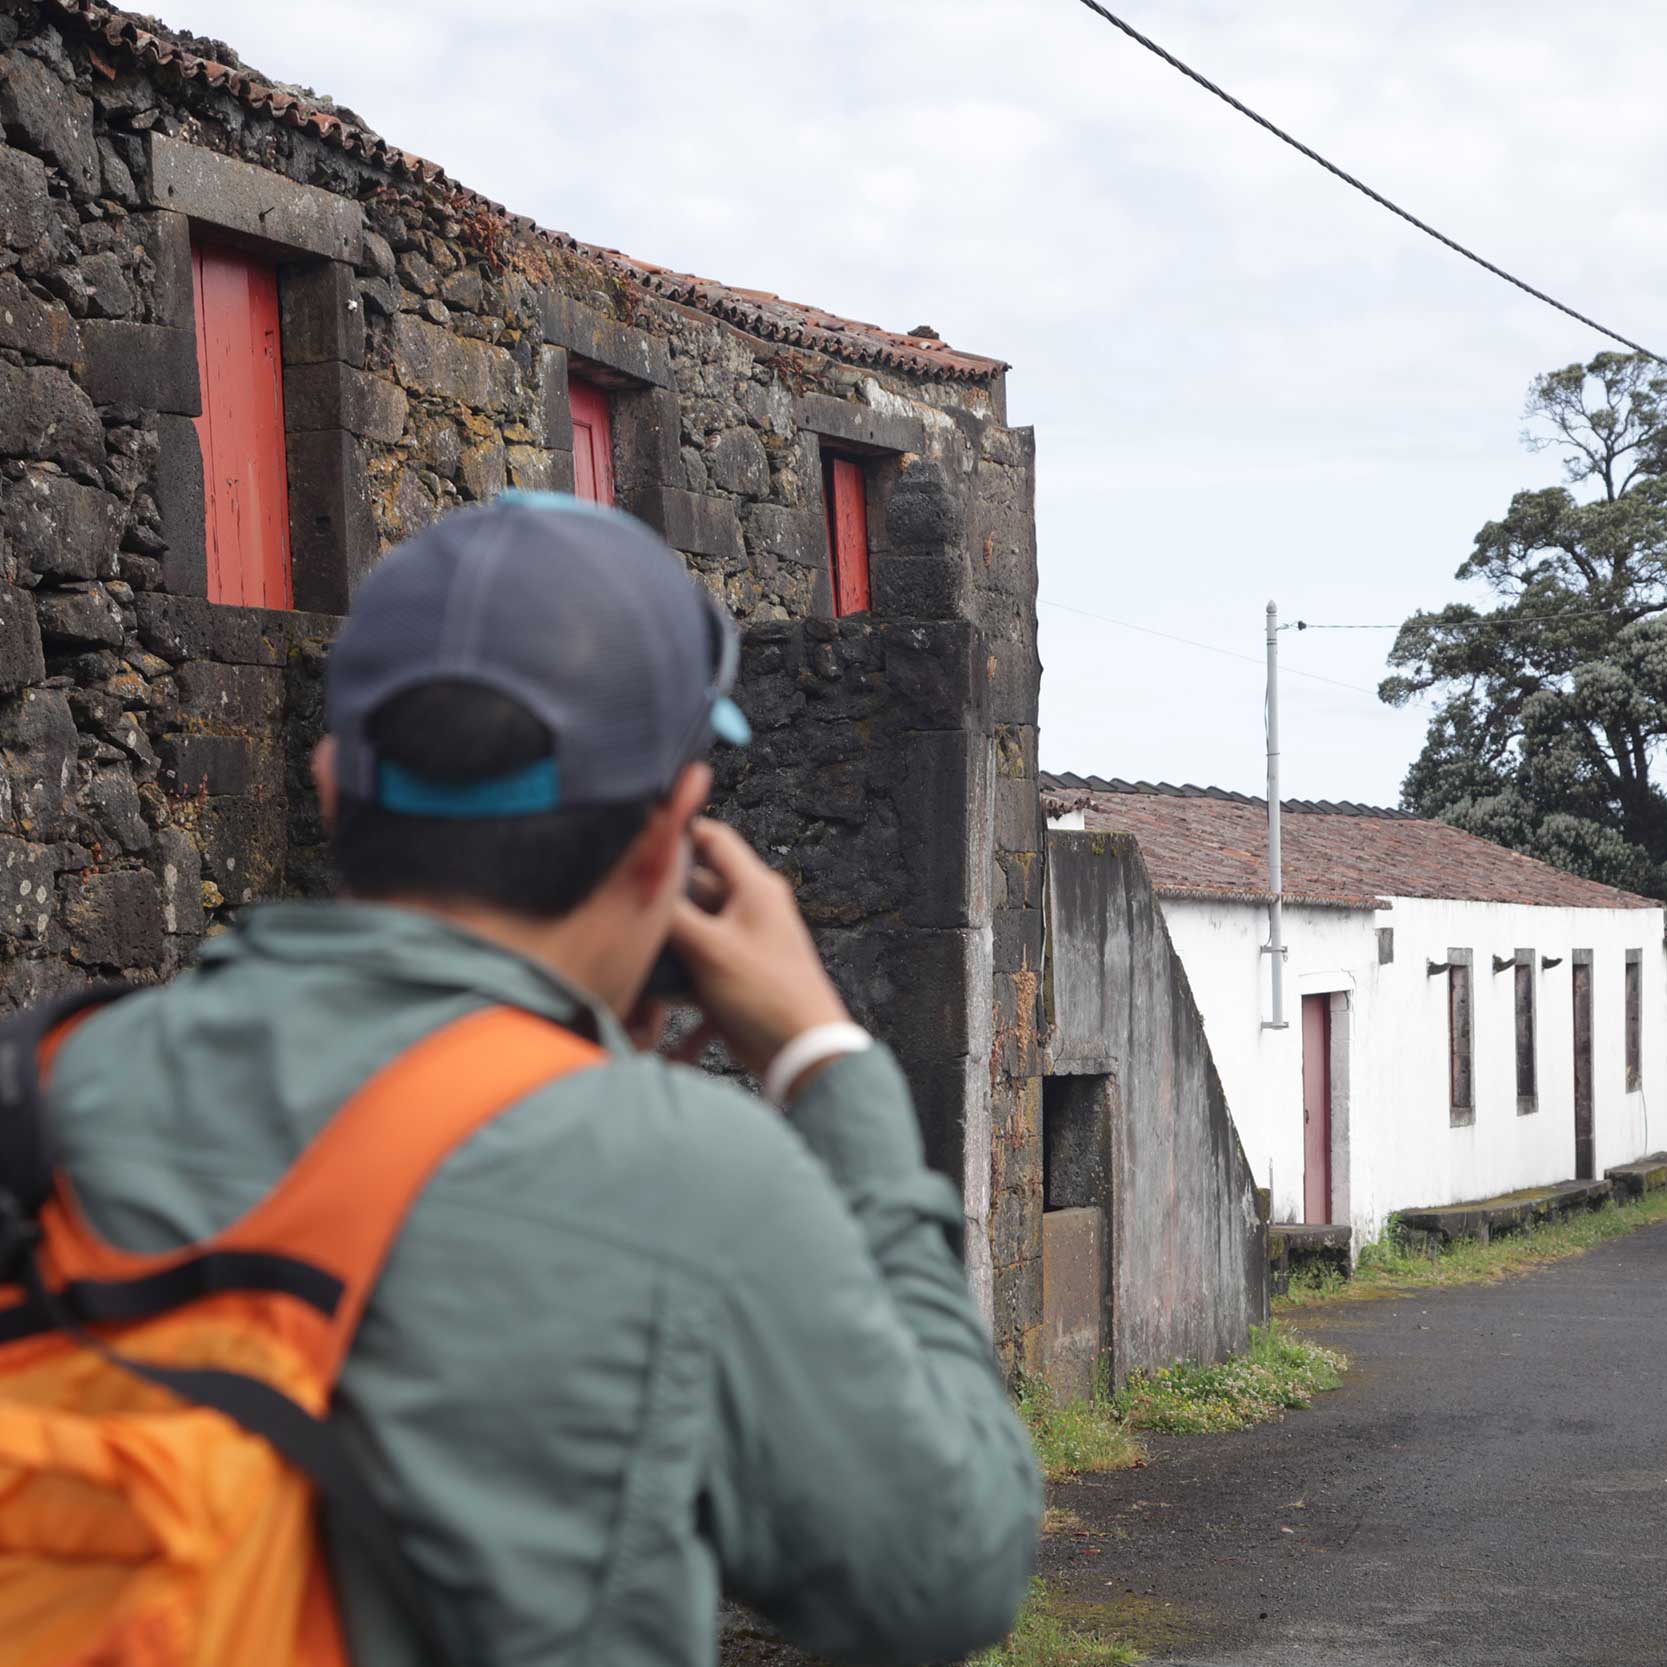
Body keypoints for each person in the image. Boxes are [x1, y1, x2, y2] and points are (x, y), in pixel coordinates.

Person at [44, 495, 1041, 1666]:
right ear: (669, 831)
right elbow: (948, 1571)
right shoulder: (682, 1177)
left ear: (330, 783)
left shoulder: (48, 1083)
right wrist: (823, 1059)